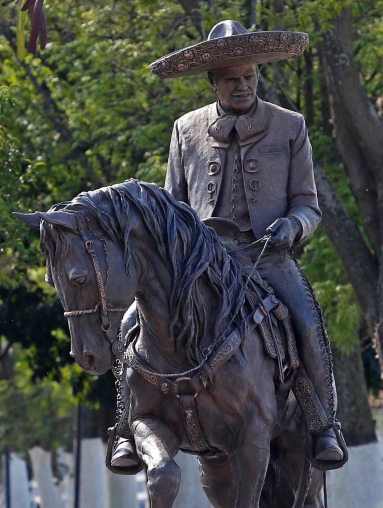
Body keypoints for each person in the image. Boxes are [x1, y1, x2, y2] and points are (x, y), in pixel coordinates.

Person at [108, 20, 345, 473]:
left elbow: (309, 206)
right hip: (200, 263)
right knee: (132, 320)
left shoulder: (289, 126)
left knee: (306, 317)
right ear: (213, 81)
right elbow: (171, 207)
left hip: (266, 255)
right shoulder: (185, 129)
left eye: (250, 76)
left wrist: (291, 228)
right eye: (232, 78)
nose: (243, 86)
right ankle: (125, 426)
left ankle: (323, 423)